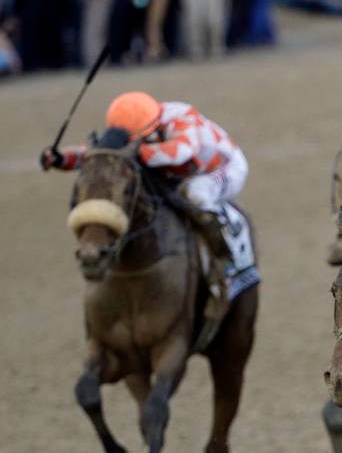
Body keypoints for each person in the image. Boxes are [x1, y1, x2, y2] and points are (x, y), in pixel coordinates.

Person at [40, 91, 248, 322]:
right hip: (177, 171)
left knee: (195, 194)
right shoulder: (134, 121)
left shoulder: (182, 118)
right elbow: (100, 155)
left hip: (218, 169)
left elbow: (181, 151)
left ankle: (223, 263)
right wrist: (61, 159)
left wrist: (133, 153)